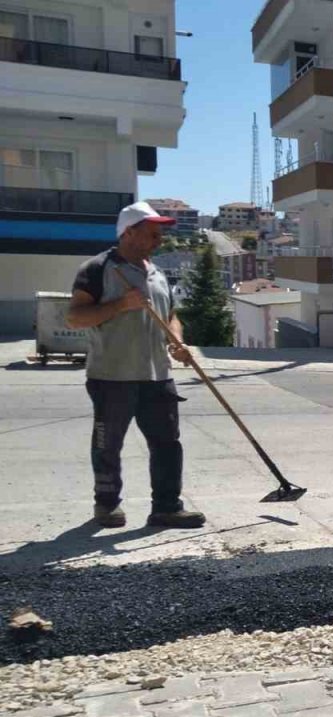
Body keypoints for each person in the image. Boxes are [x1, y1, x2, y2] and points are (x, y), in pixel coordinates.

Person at [66, 201, 206, 529]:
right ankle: (106, 505)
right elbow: (74, 317)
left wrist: (177, 341)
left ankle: (167, 508)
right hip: (112, 375)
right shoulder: (98, 268)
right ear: (128, 233)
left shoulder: (156, 272)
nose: (160, 240)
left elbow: (171, 315)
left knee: (167, 444)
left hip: (157, 375)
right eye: (152, 233)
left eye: (160, 233)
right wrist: (121, 305)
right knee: (108, 444)